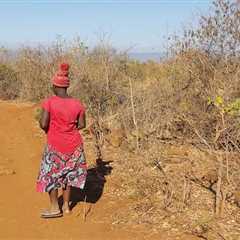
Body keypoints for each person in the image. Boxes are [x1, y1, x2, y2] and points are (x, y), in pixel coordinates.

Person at [36, 63, 87, 218]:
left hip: (55, 145)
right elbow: (82, 124)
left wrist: (49, 129)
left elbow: (43, 123)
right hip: (74, 145)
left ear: (54, 86)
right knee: (68, 175)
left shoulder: (49, 102)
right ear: (66, 87)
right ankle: (66, 206)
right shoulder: (78, 104)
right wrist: (69, 129)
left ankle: (54, 208)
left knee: (51, 174)